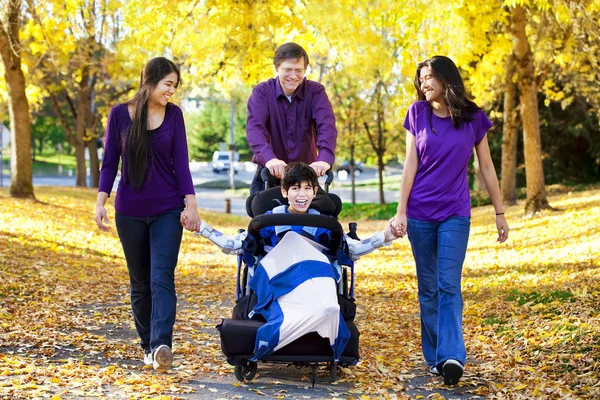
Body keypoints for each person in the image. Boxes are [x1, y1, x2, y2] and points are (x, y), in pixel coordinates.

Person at [391, 56, 509, 385]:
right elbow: (410, 164)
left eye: (430, 77)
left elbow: (486, 167)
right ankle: (435, 357)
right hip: (419, 213)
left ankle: (452, 355)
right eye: (421, 78)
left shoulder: (473, 118)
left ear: (446, 79)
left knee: (448, 284)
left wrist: (499, 212)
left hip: (455, 211)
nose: (424, 83)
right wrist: (401, 210)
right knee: (428, 289)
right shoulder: (417, 114)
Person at [95, 57, 200, 371]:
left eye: (174, 86)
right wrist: (100, 201)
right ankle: (147, 345)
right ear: (150, 81)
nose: (171, 91)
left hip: (168, 209)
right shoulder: (119, 115)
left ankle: (161, 345)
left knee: (161, 278)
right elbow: (110, 162)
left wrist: (190, 203)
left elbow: (181, 163)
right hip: (129, 212)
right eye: (168, 84)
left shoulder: (174, 115)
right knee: (140, 283)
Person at [199, 162, 399, 259]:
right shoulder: (270, 220)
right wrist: (201, 227)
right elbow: (233, 245)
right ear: (284, 192)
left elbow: (353, 249)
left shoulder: (323, 223)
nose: (301, 195)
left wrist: (386, 236)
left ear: (314, 192)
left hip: (315, 281)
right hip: (276, 279)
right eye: (295, 188)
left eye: (306, 188)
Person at [246, 42, 338, 194]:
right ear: (277, 67)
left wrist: (324, 159)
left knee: (326, 212)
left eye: (298, 70)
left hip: (306, 176)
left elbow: (326, 126)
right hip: (270, 174)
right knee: (259, 213)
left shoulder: (315, 92)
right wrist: (270, 159)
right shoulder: (262, 92)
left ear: (305, 70)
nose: (293, 76)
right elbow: (255, 129)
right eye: (287, 70)